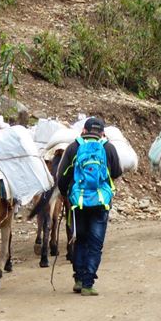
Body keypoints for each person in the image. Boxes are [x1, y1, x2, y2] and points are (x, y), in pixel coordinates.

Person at [56, 117, 122, 296]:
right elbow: (117, 171)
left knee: (80, 240)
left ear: (83, 131)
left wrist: (66, 194)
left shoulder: (73, 147)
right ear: (102, 133)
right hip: (101, 202)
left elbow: (62, 177)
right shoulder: (108, 147)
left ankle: (78, 278)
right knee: (95, 243)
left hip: (79, 202)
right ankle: (88, 283)